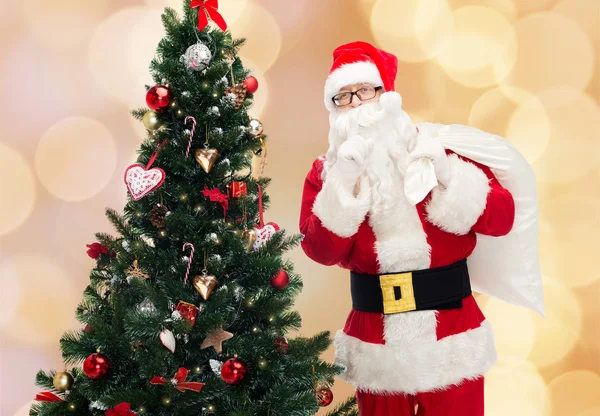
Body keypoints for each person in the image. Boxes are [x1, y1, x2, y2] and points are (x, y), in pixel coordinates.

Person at [298, 41, 519, 416]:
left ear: (387, 95)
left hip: (452, 333)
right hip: (377, 341)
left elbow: (503, 218)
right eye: (343, 97)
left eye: (365, 90)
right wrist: (344, 182)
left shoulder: (436, 150)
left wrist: (448, 176)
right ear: (333, 109)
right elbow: (321, 250)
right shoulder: (327, 172)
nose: (357, 104)